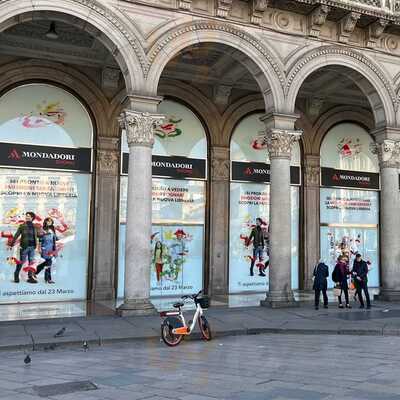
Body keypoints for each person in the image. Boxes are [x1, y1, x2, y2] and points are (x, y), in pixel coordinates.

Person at [8, 211, 38, 284]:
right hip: (24, 247)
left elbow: (36, 235)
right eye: (26, 215)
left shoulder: (35, 226)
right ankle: (16, 275)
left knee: (31, 263)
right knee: (21, 261)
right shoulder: (22, 226)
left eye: (29, 216)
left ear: (32, 218)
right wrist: (11, 244)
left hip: (32, 247)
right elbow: (16, 235)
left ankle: (30, 277)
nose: (27, 217)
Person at [35, 217, 58, 284]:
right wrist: (39, 248)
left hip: (51, 248)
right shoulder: (42, 229)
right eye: (48, 221)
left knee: (48, 263)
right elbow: (40, 239)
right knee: (49, 262)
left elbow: (55, 239)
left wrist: (55, 249)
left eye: (50, 221)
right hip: (44, 248)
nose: (49, 222)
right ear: (45, 222)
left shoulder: (53, 229)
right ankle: (48, 279)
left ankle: (36, 271)